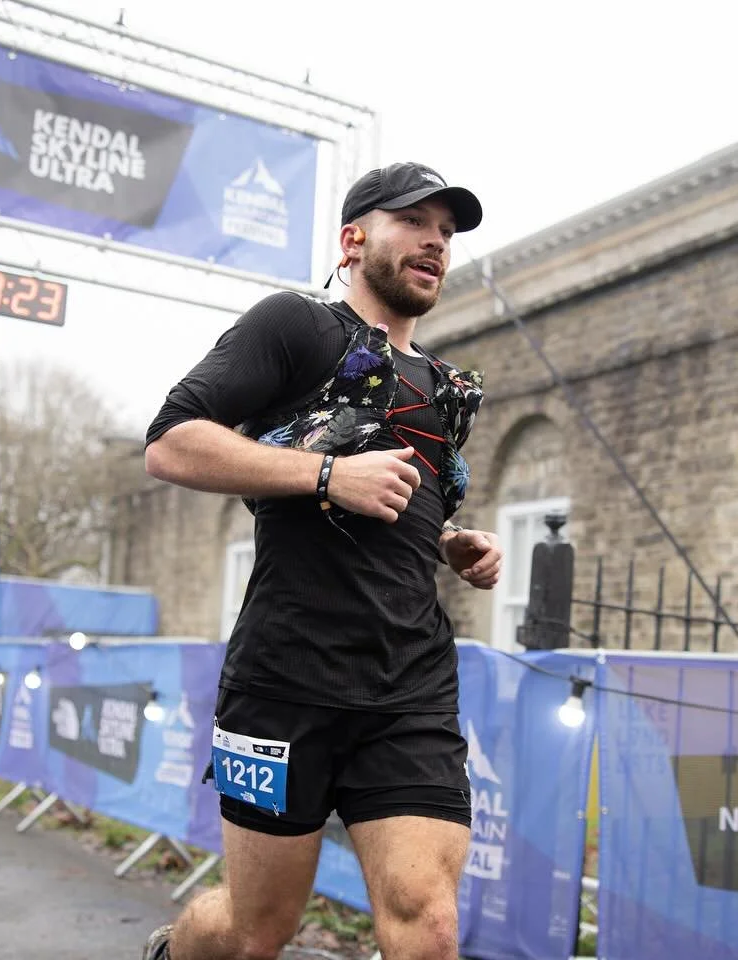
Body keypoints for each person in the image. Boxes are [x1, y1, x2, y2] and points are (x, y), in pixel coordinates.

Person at [141, 162, 504, 960]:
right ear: (354, 238)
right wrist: (329, 473)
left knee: (429, 922)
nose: (436, 243)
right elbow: (170, 444)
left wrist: (452, 543)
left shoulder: (443, 390)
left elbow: (401, 511)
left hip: (408, 684)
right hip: (285, 680)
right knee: (253, 931)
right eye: (414, 222)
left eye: (447, 233)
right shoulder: (297, 328)